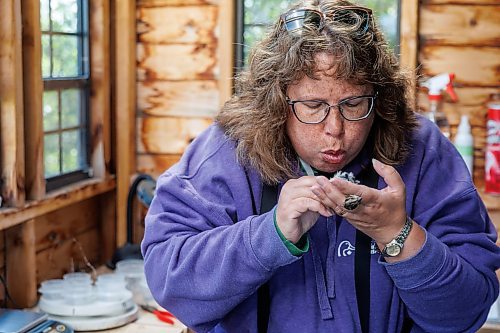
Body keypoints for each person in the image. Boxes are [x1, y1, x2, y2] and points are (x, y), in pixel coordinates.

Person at [141, 0, 500, 332]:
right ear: (277, 101)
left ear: (380, 97)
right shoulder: (225, 151)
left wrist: (397, 233)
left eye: (354, 103)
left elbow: (465, 312)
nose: (335, 130)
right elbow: (172, 284)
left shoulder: (423, 150)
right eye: (312, 105)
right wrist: (271, 233)